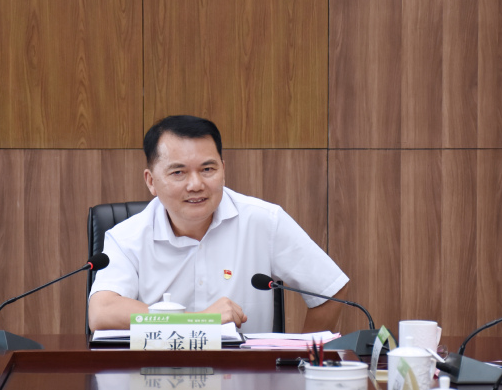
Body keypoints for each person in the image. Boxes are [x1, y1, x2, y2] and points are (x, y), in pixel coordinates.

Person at [88, 115, 349, 333]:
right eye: (178, 172)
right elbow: (102, 311)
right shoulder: (127, 237)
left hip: (245, 374)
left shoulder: (264, 221)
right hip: (158, 372)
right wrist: (200, 320)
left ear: (223, 170)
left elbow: (329, 289)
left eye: (207, 169)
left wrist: (300, 363)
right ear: (151, 181)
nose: (196, 185)